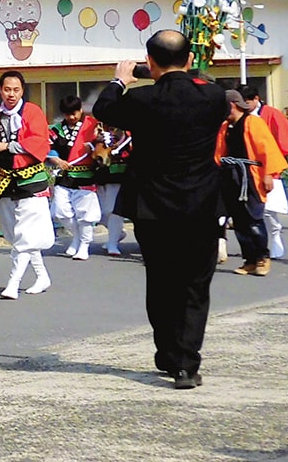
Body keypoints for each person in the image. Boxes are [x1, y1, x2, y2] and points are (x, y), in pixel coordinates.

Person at [93, 30, 228, 389]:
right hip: (200, 205)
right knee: (195, 286)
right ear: (188, 60)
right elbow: (200, 81)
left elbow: (102, 109)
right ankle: (186, 363)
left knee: (162, 282)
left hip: (154, 207)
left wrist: (121, 80)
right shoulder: (213, 96)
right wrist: (174, 71)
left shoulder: (142, 99)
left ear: (149, 61)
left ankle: (168, 353)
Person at [0, 70, 54, 299]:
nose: (11, 94)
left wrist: (7, 147)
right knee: (15, 234)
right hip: (5, 181)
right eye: (7, 89)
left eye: (16, 90)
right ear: (0, 90)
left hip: (30, 181)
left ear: (22, 90)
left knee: (26, 234)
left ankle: (13, 283)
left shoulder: (32, 112)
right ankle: (42, 276)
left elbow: (38, 142)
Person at [215, 90, 287, 277]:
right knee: (238, 222)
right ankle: (249, 259)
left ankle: (263, 256)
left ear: (233, 105)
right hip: (231, 175)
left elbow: (267, 148)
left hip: (250, 175)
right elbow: (219, 153)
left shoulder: (253, 123)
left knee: (253, 218)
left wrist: (269, 174)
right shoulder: (225, 126)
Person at [237, 84, 288, 258]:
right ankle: (256, 248)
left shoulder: (271, 114)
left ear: (256, 99)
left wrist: (271, 163)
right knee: (250, 213)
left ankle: (275, 237)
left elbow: (285, 141)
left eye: (248, 101)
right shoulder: (240, 115)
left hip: (268, 166)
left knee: (269, 210)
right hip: (245, 168)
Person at [47, 95, 102, 260]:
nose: (71, 117)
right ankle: (77, 236)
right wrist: (55, 159)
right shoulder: (57, 129)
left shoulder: (92, 126)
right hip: (64, 176)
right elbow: (50, 147)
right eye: (67, 114)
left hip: (85, 176)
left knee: (85, 214)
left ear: (80, 110)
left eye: (74, 113)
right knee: (60, 211)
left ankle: (84, 244)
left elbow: (102, 146)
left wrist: (92, 147)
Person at [93, 124, 132, 256]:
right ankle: (117, 234)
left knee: (113, 209)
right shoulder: (101, 132)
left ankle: (112, 242)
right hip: (102, 175)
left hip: (122, 175)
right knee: (102, 212)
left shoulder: (128, 134)